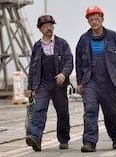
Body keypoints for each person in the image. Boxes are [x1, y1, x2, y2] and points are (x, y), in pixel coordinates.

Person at [76, 5, 116, 152]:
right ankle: (89, 142)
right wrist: (79, 82)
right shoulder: (83, 40)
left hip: (109, 81)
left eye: (96, 18)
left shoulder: (113, 37)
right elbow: (78, 63)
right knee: (89, 110)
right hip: (90, 82)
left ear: (102, 19)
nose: (94, 22)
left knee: (112, 113)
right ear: (88, 21)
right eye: (91, 19)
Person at [25, 14, 73, 151]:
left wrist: (64, 74)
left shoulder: (62, 44)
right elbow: (32, 69)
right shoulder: (37, 46)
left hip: (59, 84)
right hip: (42, 84)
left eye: (50, 26)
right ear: (40, 29)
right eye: (45, 27)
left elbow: (69, 61)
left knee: (62, 112)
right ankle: (35, 138)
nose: (49, 28)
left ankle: (63, 139)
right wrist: (30, 87)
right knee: (39, 110)